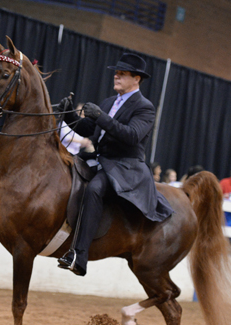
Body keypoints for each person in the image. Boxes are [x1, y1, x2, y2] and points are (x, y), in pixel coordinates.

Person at [56, 53, 173, 276]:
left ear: (136, 79)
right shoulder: (110, 102)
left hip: (125, 167)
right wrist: (69, 114)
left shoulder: (144, 107)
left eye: (122, 74)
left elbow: (131, 135)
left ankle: (79, 256)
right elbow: (91, 130)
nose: (116, 76)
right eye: (116, 73)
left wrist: (100, 116)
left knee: (94, 189)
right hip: (101, 160)